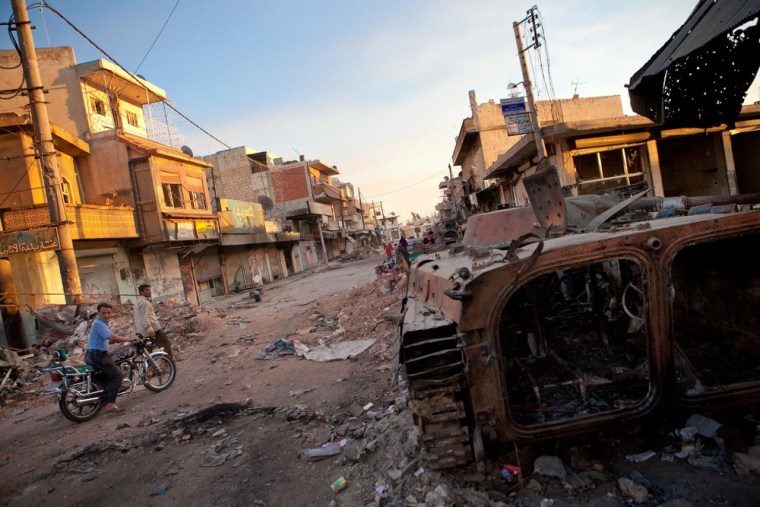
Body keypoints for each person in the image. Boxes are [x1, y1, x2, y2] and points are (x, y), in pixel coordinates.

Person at [85, 303, 133, 413]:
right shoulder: (99, 324)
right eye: (103, 313)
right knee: (117, 376)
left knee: (106, 377)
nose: (106, 315)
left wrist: (113, 341)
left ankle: (103, 400)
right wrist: (129, 339)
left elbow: (107, 339)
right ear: (98, 313)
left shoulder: (102, 323)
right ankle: (110, 404)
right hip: (98, 355)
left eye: (108, 313)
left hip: (92, 354)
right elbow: (111, 336)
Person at [134, 284, 173, 359]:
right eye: (147, 290)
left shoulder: (137, 302)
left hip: (142, 332)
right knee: (165, 344)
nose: (150, 292)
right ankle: (168, 363)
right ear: (142, 292)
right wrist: (149, 328)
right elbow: (144, 317)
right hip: (153, 330)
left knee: (148, 350)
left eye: (150, 290)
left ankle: (149, 367)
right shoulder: (144, 302)